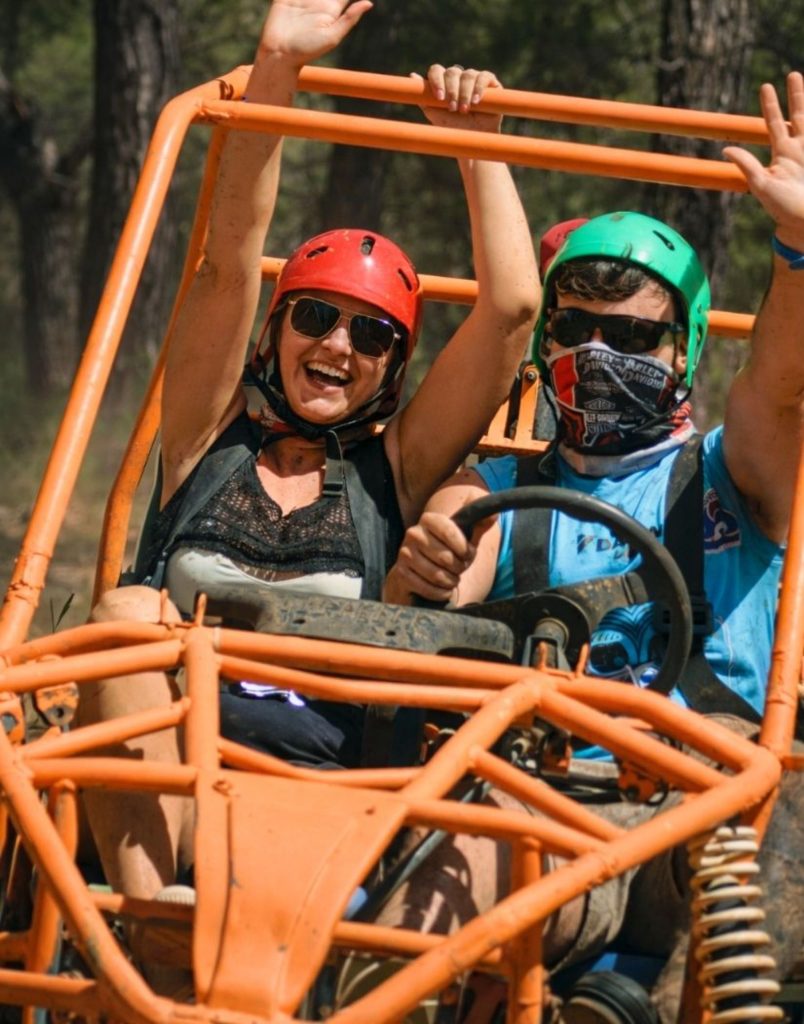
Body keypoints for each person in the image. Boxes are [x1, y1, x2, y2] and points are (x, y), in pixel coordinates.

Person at [77, 0, 539, 903]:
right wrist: (276, 67)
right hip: (163, 781)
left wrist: (474, 138)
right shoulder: (206, 439)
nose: (337, 346)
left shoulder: (391, 473)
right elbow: (225, 259)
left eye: (370, 336)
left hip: (320, 796)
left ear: (392, 370)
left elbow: (513, 310)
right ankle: (155, 924)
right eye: (316, 316)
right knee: (127, 615)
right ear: (272, 329)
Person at [383, 72, 804, 1022]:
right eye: (574, 330)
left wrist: (799, 249)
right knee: (419, 916)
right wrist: (427, 572)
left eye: (632, 336)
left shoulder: (736, 470)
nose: (596, 354)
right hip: (545, 791)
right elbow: (444, 565)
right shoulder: (496, 488)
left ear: (684, 350)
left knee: (756, 874)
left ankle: (635, 1007)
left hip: (716, 794)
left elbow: (780, 383)